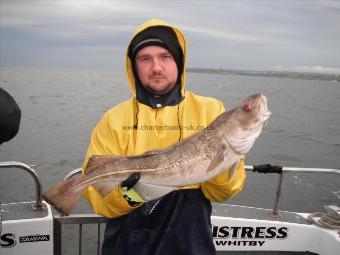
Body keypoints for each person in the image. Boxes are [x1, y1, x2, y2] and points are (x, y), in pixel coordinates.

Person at [82, 19, 246, 255]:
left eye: (165, 56)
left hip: (192, 244)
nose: (156, 67)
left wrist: (219, 159)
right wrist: (131, 194)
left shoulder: (211, 111)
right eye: (144, 59)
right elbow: (100, 200)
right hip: (127, 245)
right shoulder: (113, 119)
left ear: (179, 61)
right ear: (133, 66)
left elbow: (223, 192)